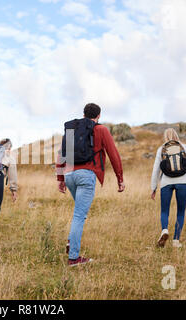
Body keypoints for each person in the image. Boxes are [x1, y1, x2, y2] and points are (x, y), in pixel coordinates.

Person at [56, 103, 125, 267]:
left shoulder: (73, 129)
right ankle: (73, 258)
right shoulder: (101, 130)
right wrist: (120, 178)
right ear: (99, 116)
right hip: (87, 175)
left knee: (80, 212)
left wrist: (60, 178)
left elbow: (62, 154)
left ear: (84, 114)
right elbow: (113, 154)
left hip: (70, 175)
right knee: (79, 215)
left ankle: (71, 242)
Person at [151, 128, 186, 248]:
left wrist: (153, 187)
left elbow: (156, 169)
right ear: (177, 135)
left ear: (165, 137)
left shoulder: (161, 149)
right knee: (180, 211)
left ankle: (164, 230)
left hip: (166, 182)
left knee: (165, 210)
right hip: (183, 182)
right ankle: (176, 240)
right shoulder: (185, 147)